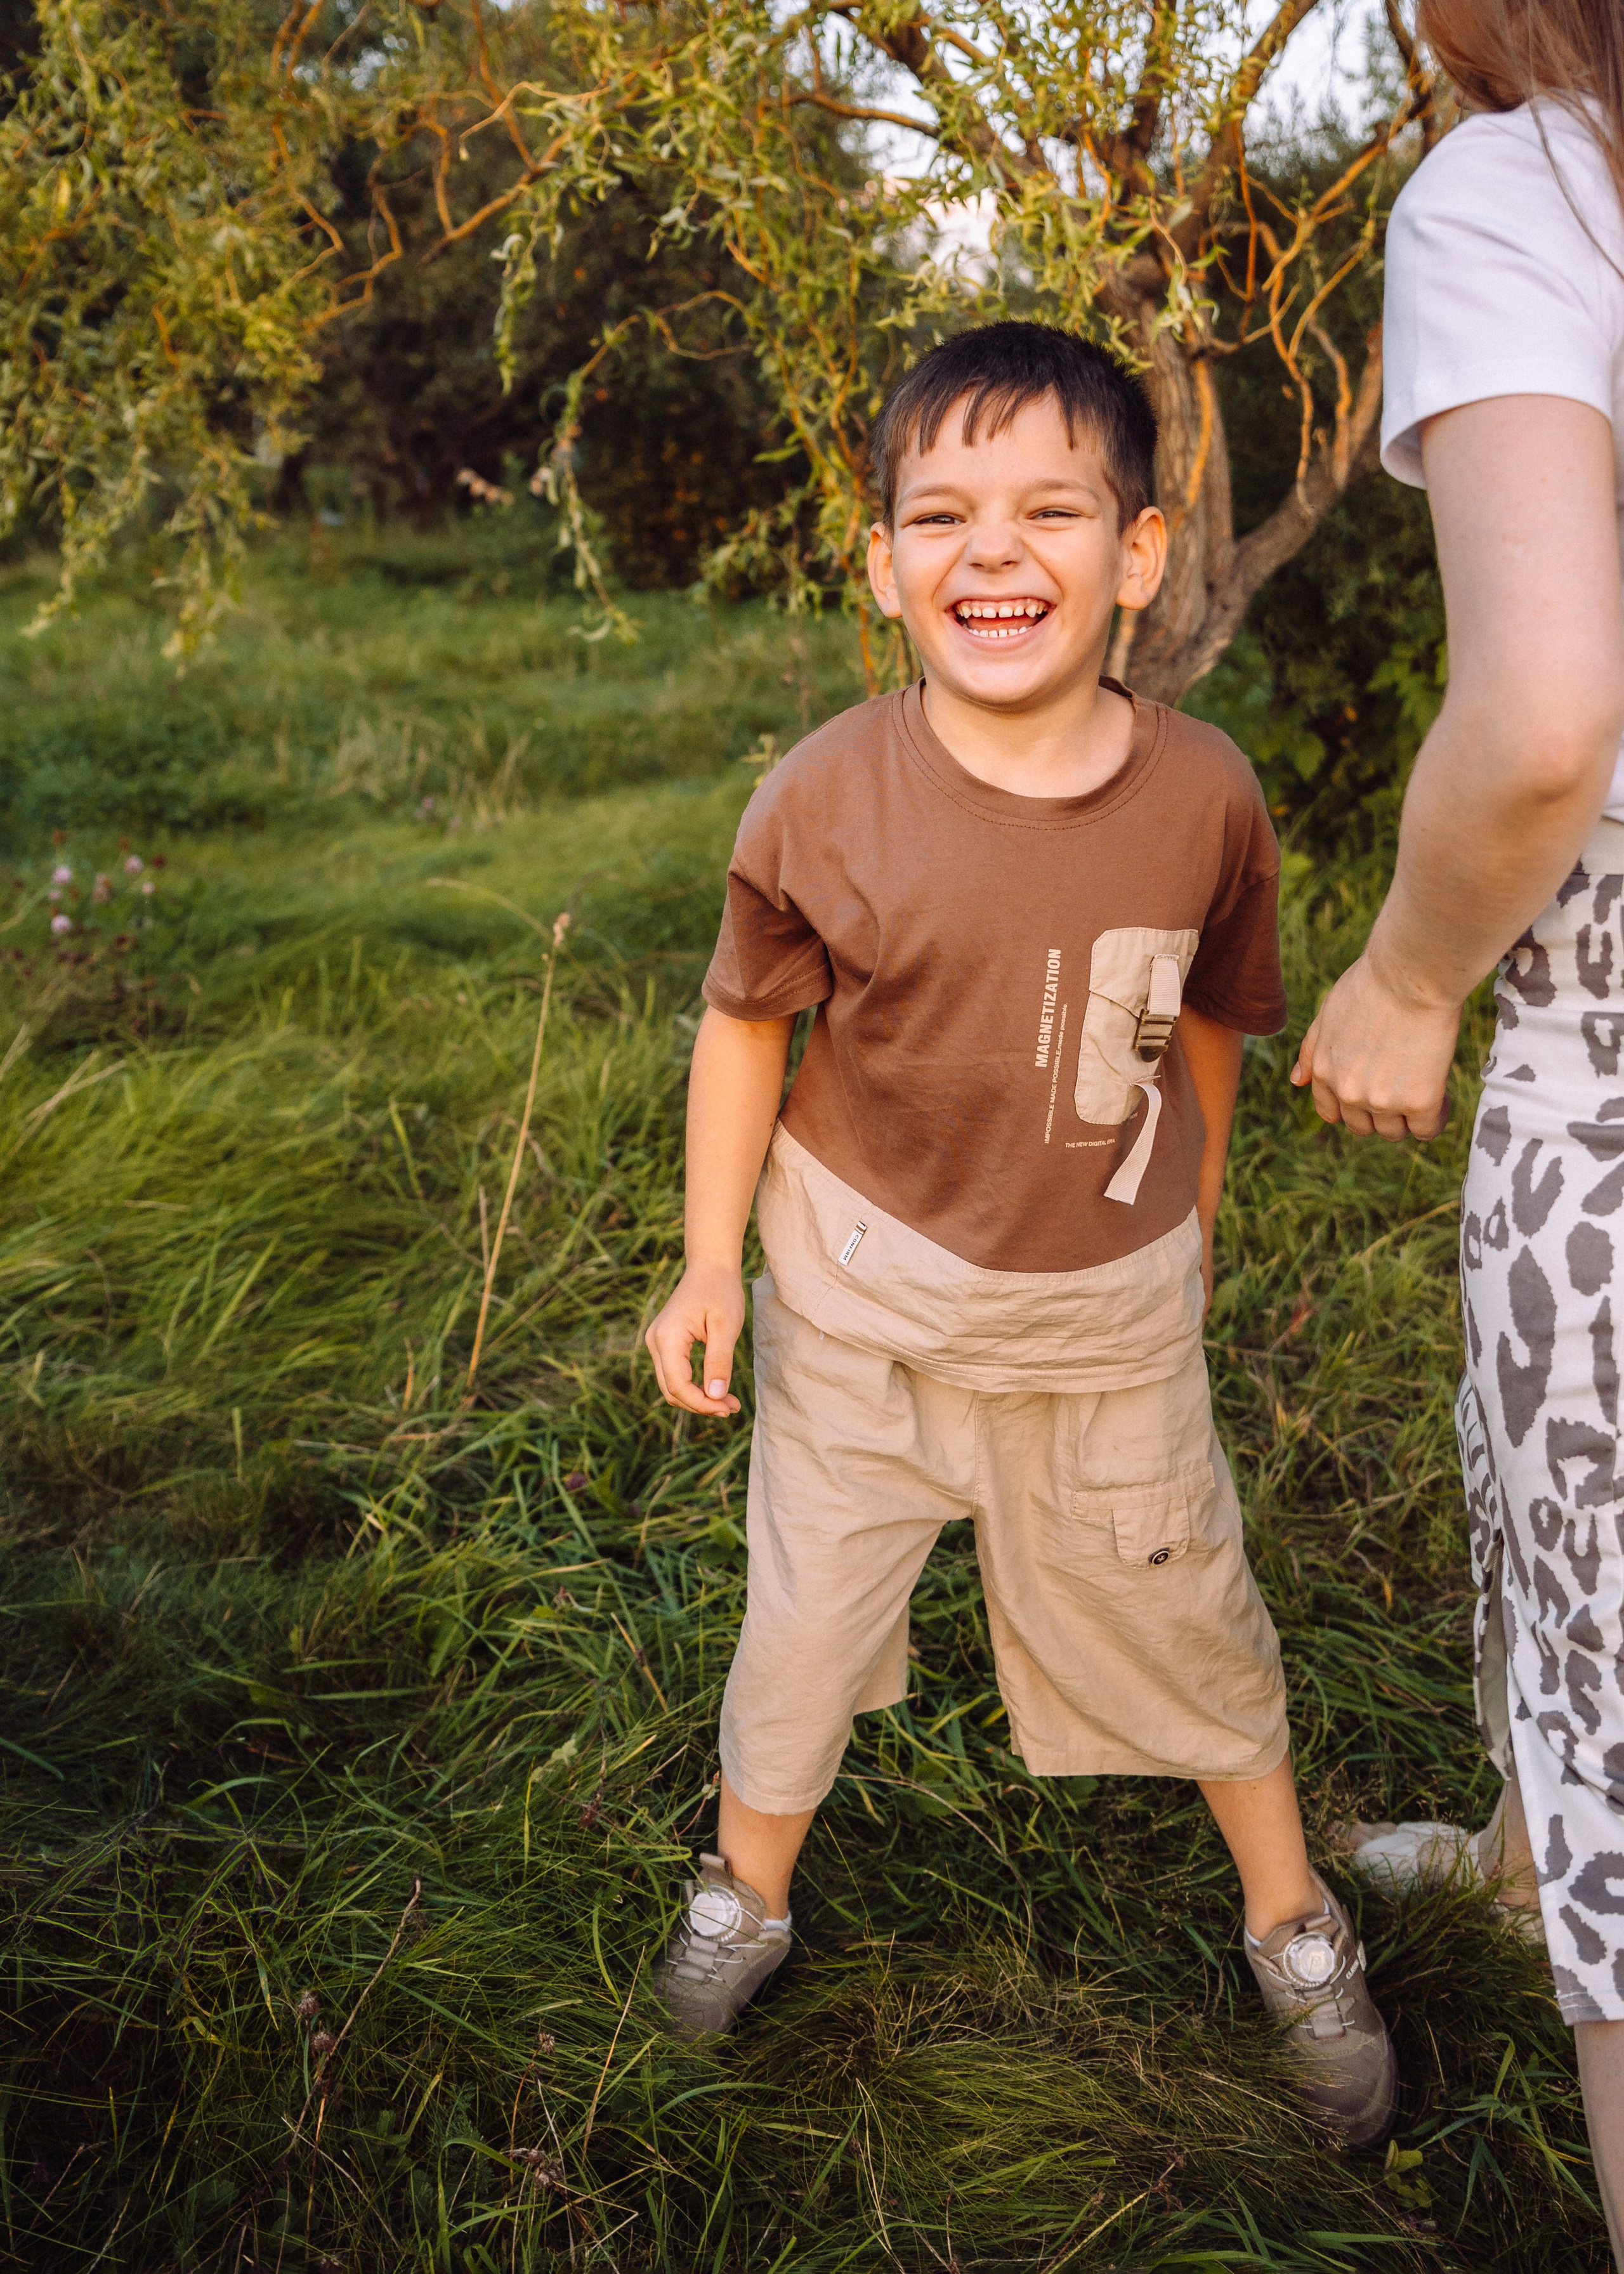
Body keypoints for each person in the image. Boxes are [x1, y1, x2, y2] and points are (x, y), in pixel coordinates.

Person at [643, 320, 1396, 2145]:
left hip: (1102, 1320)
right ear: (885, 559)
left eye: (1051, 510)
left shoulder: (1207, 791)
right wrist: (707, 1257)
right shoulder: (823, 793)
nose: (995, 551)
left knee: (1192, 1610)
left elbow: (1213, 1009)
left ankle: (1292, 1918)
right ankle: (748, 1893)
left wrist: (1194, 1210)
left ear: (1137, 554)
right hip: (863, 1302)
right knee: (804, 1625)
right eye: (944, 514)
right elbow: (748, 1023)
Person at [1288, 0, 1624, 2247]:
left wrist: (1409, 974)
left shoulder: (1527, 186)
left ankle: (1567, 1861)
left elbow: (1543, 718)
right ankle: (1515, 1862)